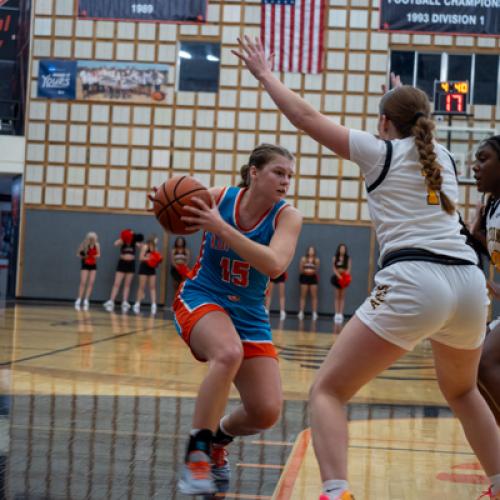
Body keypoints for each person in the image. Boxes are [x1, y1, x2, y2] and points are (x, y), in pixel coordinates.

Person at [233, 36, 500, 500]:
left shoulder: (380, 153)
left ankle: (336, 492)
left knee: (328, 391)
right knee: (462, 392)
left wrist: (265, 74)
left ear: (383, 124)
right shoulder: (447, 159)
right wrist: (394, 97)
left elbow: (304, 117)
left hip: (416, 280)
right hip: (469, 286)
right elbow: (408, 128)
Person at [170, 143, 302, 495]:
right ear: (254, 172)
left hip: (248, 312)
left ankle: (217, 440)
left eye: (289, 175)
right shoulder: (218, 198)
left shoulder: (287, 217)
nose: (285, 181)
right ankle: (196, 455)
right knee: (227, 354)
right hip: (202, 296)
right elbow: (176, 215)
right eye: (278, 172)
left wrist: (221, 228)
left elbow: (274, 264)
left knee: (265, 412)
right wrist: (165, 201)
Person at [471, 135, 500, 426]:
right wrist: (477, 235)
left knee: (485, 363)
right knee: (473, 372)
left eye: (483, 159)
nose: (475, 167)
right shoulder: (492, 209)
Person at [103, 229, 143, 312]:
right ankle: (111, 301)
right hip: (122, 263)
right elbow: (116, 243)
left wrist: (134, 239)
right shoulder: (123, 241)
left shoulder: (134, 242)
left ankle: (125, 301)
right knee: (117, 283)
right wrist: (123, 238)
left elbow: (141, 245)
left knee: (127, 284)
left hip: (131, 264)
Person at [133, 234, 163, 315]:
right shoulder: (145, 247)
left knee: (152, 287)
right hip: (144, 267)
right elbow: (141, 258)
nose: (157, 241)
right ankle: (137, 303)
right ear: (152, 240)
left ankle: (153, 304)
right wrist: (149, 258)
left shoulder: (155, 248)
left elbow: (157, 258)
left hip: (151, 268)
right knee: (141, 286)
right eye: (156, 240)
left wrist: (157, 259)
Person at [75, 232, 100, 310]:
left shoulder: (97, 245)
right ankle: (79, 298)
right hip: (85, 264)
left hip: (93, 264)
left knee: (91, 282)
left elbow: (99, 255)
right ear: (88, 238)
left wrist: (93, 255)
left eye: (94, 238)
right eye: (91, 238)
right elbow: (78, 254)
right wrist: (84, 256)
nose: (93, 239)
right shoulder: (84, 244)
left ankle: (86, 299)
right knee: (83, 282)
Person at [330, 244, 352, 323]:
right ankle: (336, 313)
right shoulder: (335, 258)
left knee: (342, 296)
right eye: (341, 248)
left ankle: (341, 313)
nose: (342, 250)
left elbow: (349, 268)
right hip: (337, 277)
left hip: (344, 278)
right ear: (339, 249)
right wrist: (338, 275)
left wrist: (344, 276)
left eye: (343, 249)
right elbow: (334, 268)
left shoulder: (348, 258)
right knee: (337, 296)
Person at [298, 245, 320, 320]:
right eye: (310, 250)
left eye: (312, 250)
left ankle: (314, 313)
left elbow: (316, 270)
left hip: (313, 278)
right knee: (303, 295)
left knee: (314, 296)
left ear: (314, 252)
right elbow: (301, 269)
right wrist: (306, 271)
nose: (311, 251)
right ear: (308, 251)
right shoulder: (303, 259)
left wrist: (311, 272)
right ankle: (301, 312)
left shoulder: (316, 260)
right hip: (304, 278)